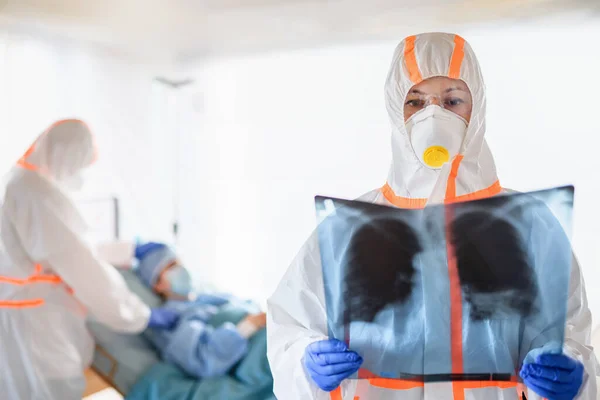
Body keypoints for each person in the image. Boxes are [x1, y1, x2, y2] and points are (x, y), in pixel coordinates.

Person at [266, 33, 599, 400]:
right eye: (415, 102)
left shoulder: (529, 225)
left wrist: (568, 371)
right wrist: (306, 362)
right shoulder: (351, 229)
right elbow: (290, 326)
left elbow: (571, 332)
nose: (433, 115)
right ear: (397, 111)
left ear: (478, 108)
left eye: (452, 100)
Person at [0, 119, 179, 400]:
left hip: (31, 320)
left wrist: (129, 250)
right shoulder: (34, 191)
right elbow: (82, 267)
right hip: (40, 327)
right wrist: (141, 315)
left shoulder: (25, 182)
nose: (81, 175)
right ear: (66, 156)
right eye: (80, 165)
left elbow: (71, 249)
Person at [132, 242, 269, 379]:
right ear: (158, 285)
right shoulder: (172, 318)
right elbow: (203, 360)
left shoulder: (206, 296)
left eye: (179, 262)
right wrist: (248, 326)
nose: (181, 269)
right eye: (172, 266)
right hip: (258, 354)